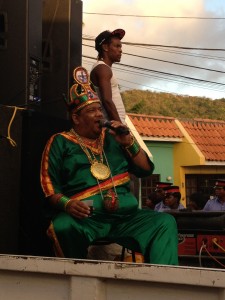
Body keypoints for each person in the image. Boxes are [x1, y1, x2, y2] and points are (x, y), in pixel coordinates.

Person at [40, 66, 178, 265]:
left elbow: (146, 169)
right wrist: (68, 204)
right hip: (86, 219)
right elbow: (49, 188)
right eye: (91, 111)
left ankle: (165, 285)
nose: (99, 115)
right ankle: (78, 282)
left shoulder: (115, 137)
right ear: (76, 118)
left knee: (164, 222)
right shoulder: (60, 142)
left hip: (125, 217)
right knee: (62, 226)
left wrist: (128, 142)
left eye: (99, 109)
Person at [90, 29, 126, 123]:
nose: (120, 50)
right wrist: (121, 128)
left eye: (120, 47)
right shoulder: (103, 68)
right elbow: (107, 101)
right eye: (117, 46)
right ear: (105, 47)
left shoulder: (104, 68)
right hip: (112, 127)